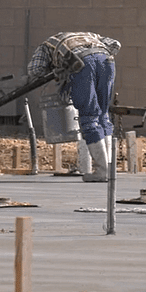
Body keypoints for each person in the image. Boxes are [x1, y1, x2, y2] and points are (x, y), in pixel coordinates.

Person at [27, 32, 120, 182]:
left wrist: (55, 69)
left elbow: (35, 70)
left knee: (89, 117)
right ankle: (110, 170)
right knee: (103, 115)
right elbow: (116, 44)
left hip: (81, 64)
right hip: (106, 60)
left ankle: (103, 172)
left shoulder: (47, 44)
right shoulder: (90, 35)